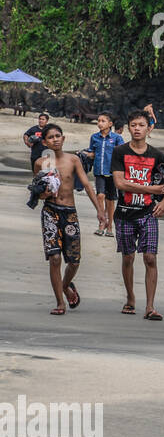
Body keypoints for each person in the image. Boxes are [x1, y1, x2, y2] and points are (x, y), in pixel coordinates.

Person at [31, 123, 106, 315]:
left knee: (74, 261)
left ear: (63, 139)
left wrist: (100, 211)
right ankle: (60, 302)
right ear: (44, 141)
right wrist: (44, 194)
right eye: (51, 137)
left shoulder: (73, 160)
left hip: (69, 212)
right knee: (55, 258)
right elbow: (37, 193)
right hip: (50, 211)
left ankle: (65, 286)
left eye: (58, 136)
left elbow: (88, 186)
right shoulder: (41, 163)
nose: (55, 139)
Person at [111, 110, 164, 321]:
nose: (137, 128)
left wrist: (163, 202)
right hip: (124, 213)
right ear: (128, 127)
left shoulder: (157, 155)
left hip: (148, 213)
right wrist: (152, 191)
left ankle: (150, 307)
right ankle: (130, 298)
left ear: (149, 128)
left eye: (141, 125)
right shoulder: (120, 152)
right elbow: (120, 183)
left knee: (150, 258)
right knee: (128, 258)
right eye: (133, 125)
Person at [82, 113, 124, 236]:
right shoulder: (94, 137)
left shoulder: (116, 138)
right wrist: (85, 154)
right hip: (99, 172)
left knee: (110, 201)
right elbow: (92, 152)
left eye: (103, 121)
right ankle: (102, 222)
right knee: (100, 196)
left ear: (110, 124)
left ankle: (110, 226)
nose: (99, 123)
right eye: (98, 121)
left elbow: (122, 154)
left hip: (112, 173)